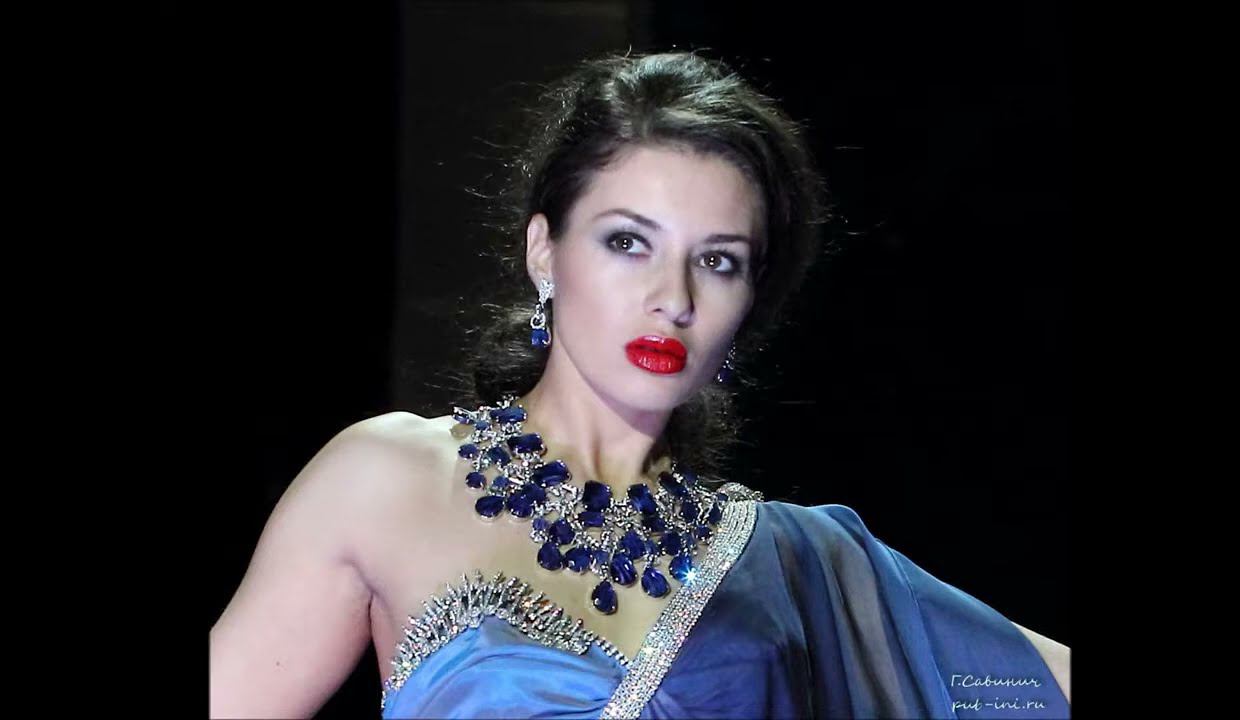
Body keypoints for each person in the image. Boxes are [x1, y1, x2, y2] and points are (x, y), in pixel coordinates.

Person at [210, 50, 1070, 719]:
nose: (674, 298)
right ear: (544, 252)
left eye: (718, 262)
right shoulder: (388, 480)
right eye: (628, 242)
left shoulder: (795, 567)